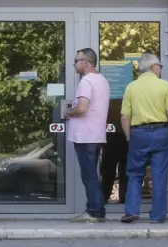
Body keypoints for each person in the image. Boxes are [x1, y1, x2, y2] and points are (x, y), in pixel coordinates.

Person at [119, 53, 168, 224]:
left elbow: (124, 117)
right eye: (160, 66)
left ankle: (131, 211)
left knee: (135, 174)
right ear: (154, 67)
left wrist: (129, 136)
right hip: (161, 133)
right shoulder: (165, 86)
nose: (160, 69)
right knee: (159, 175)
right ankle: (158, 216)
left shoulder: (131, 87)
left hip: (139, 134)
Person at [64, 48, 110, 223]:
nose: (75, 64)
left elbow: (82, 108)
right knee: (92, 174)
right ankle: (95, 209)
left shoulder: (86, 81)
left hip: (84, 135)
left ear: (86, 62)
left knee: (89, 175)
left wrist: (69, 111)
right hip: (96, 134)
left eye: (77, 60)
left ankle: (95, 211)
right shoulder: (102, 80)